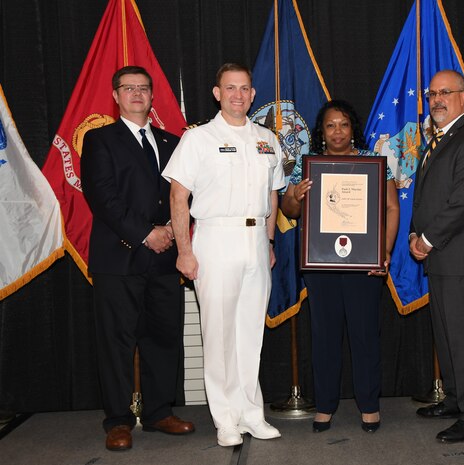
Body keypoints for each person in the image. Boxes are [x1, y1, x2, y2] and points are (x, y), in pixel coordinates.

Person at [163, 63, 284, 447]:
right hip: (215, 238)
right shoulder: (198, 138)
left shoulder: (268, 138)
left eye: (244, 88)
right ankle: (225, 419)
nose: (237, 95)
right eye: (230, 88)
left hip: (254, 240)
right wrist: (184, 250)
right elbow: (178, 196)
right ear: (217, 93)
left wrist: (268, 243)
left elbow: (273, 193)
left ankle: (251, 413)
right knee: (217, 334)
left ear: (252, 93)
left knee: (250, 333)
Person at [81, 66, 195, 452]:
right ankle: (117, 420)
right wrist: (147, 234)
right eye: (128, 88)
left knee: (163, 338)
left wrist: (169, 233)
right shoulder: (99, 140)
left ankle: (160, 411)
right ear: (115, 96)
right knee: (116, 343)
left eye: (143, 88)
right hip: (119, 259)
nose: (136, 94)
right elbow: (103, 198)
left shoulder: (171, 141)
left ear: (152, 96)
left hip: (165, 260)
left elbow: (184, 196)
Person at [281, 100, 399, 433]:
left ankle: (369, 405)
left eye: (343, 124)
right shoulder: (306, 165)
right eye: (330, 125)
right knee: (324, 337)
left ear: (353, 129)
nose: (337, 131)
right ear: (322, 131)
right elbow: (289, 210)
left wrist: (384, 251)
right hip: (321, 265)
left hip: (365, 264)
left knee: (365, 335)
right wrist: (297, 195)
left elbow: (391, 208)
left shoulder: (373, 163)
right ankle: (325, 406)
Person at [409, 70, 464, 443]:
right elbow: (427, 196)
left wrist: (427, 239)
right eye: (431, 94)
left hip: (463, 259)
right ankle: (457, 400)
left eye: (445, 93)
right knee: (447, 337)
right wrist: (416, 232)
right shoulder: (439, 140)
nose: (436, 100)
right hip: (442, 258)